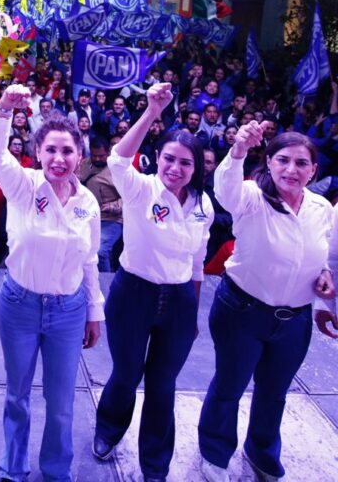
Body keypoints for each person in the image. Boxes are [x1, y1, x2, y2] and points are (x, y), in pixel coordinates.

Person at [198, 122, 335, 482]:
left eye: (301, 163)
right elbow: (224, 189)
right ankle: (214, 452)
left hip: (294, 320)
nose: (291, 170)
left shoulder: (322, 208)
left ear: (313, 170)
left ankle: (261, 451)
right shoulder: (250, 197)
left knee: (274, 393)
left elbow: (322, 253)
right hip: (242, 312)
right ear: (269, 162)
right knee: (229, 386)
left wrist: (324, 275)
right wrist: (239, 149)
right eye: (283, 160)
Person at [92, 82, 213, 482]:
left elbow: (198, 264)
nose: (176, 168)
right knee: (127, 374)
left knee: (163, 385)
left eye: (186, 163)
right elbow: (118, 159)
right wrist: (150, 112)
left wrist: (192, 313)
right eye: (169, 159)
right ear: (157, 159)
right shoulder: (141, 189)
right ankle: (109, 429)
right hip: (133, 294)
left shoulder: (204, 206)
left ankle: (156, 464)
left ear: (197, 168)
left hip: (179, 301)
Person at [0, 84, 103, 482]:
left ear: (80, 156)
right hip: (20, 306)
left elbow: (90, 259)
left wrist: (94, 312)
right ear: (37, 152)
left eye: (68, 151)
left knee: (62, 402)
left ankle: (56, 470)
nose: (59, 159)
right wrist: (4, 109)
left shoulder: (88, 203)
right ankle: (13, 467)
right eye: (50, 150)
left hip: (68, 312)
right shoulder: (23, 187)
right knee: (17, 395)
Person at [78, 137, 123, 273]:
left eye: (101, 156)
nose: (97, 159)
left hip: (112, 218)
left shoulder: (117, 170)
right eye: (94, 156)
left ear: (108, 153)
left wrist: (113, 206)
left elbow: (128, 197)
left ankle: (105, 282)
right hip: (86, 215)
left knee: (100, 251)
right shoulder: (83, 164)